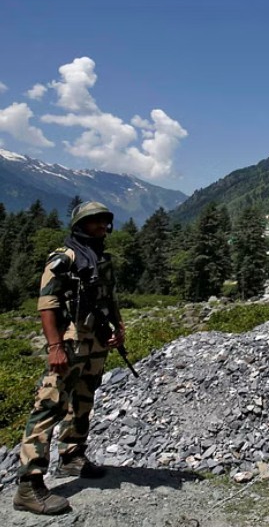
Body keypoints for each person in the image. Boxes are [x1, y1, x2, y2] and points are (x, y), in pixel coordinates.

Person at [14, 201, 125, 516]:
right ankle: (28, 485)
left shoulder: (102, 259)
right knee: (49, 406)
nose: (101, 226)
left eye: (104, 221)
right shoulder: (64, 259)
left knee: (83, 400)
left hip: (94, 342)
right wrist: (55, 347)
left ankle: (72, 456)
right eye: (94, 222)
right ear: (80, 225)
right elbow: (47, 303)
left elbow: (109, 297)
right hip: (69, 342)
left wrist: (118, 328)